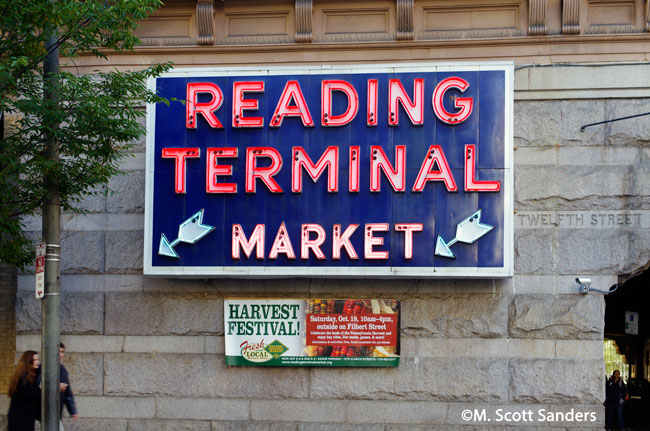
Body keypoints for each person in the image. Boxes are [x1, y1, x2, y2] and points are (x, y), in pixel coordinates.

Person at [7, 350, 41, 431]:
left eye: (38, 360)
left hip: (22, 418)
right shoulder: (24, 377)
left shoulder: (27, 375)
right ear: (29, 362)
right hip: (21, 420)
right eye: (35, 360)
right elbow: (29, 394)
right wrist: (40, 388)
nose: (38, 362)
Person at [58, 343, 78, 430]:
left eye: (62, 352)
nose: (60, 354)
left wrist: (73, 410)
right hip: (45, 411)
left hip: (56, 412)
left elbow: (68, 393)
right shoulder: (44, 368)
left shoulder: (62, 370)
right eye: (58, 352)